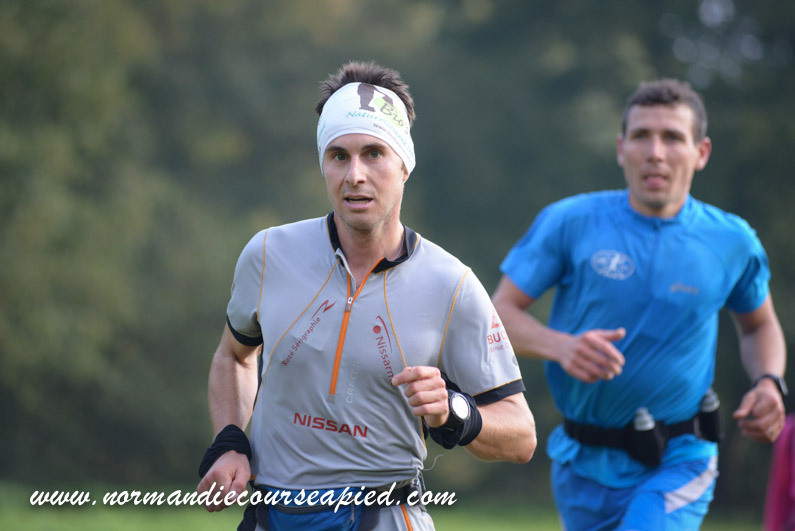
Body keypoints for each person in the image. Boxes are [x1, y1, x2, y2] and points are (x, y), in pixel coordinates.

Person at [196, 60, 537, 531]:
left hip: (383, 514)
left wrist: (454, 412)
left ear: (404, 165)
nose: (355, 174)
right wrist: (230, 441)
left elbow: (521, 435)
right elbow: (235, 357)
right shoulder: (269, 253)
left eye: (374, 153)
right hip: (271, 513)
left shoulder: (451, 283)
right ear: (323, 165)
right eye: (339, 156)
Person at [492, 79, 787, 530]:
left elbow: (759, 326)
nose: (655, 152)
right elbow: (498, 316)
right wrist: (561, 346)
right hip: (580, 460)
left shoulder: (732, 241)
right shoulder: (569, 222)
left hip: (679, 457)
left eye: (672, 137)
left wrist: (768, 382)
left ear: (701, 152)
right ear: (621, 148)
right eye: (641, 136)